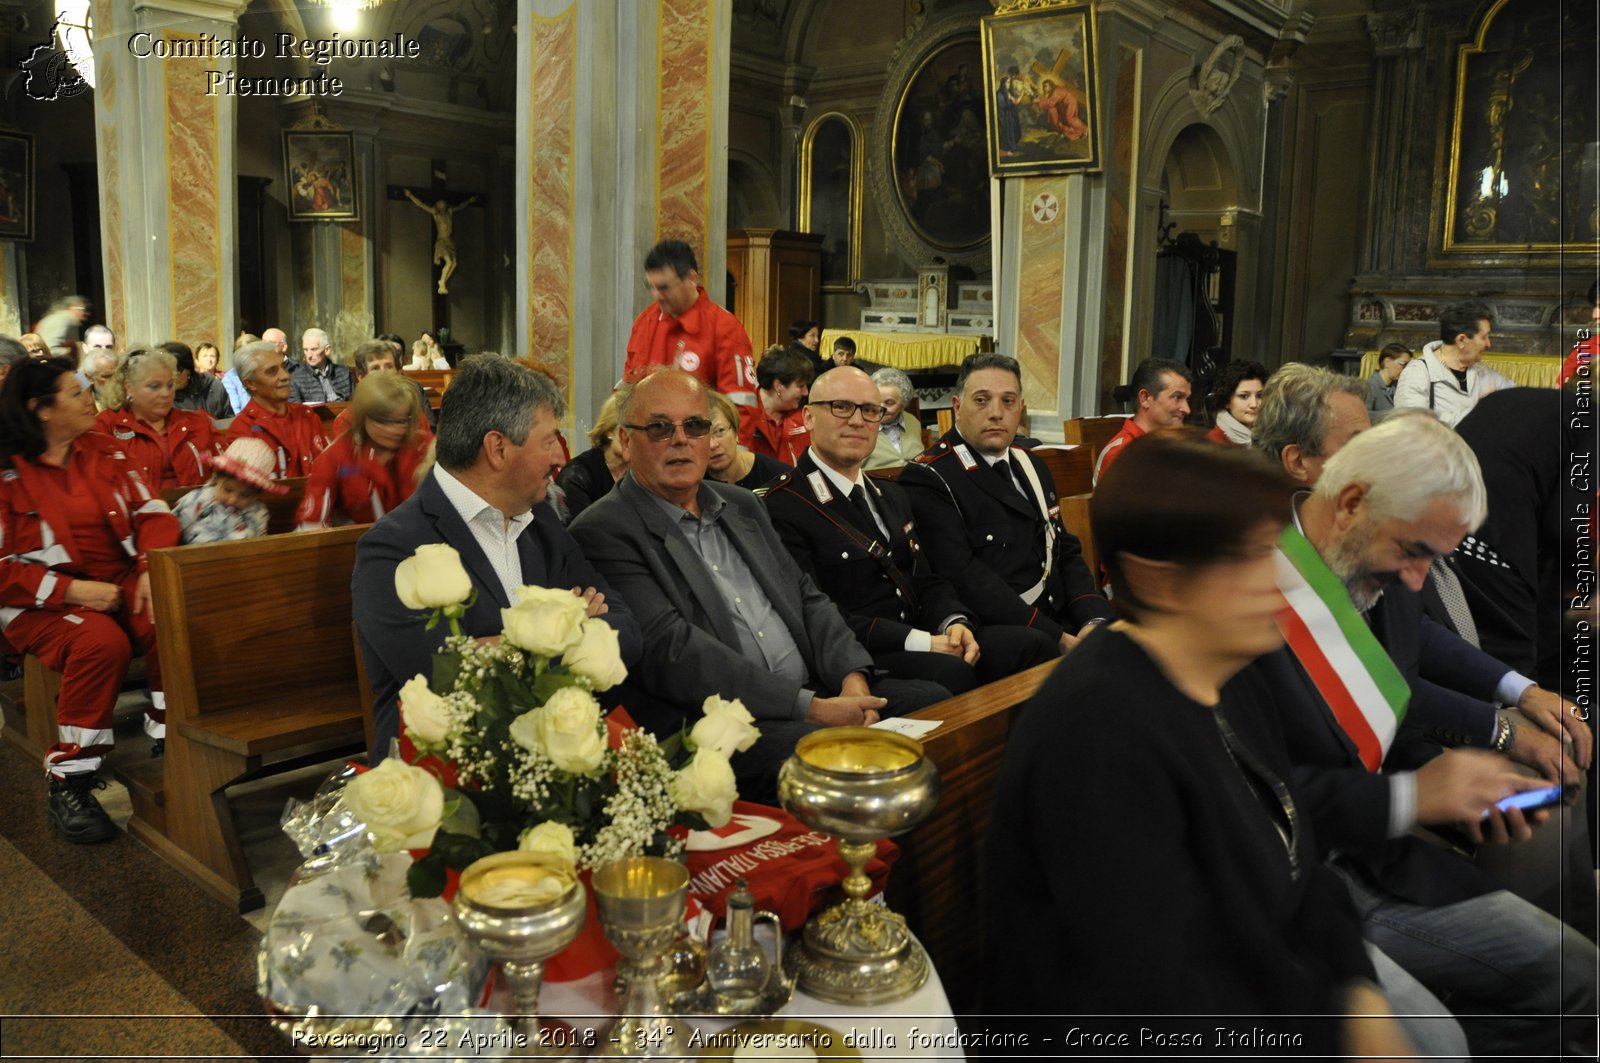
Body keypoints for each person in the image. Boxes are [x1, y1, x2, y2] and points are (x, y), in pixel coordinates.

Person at [982, 432, 1407, 1057]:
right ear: (1162, 582)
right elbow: (1158, 993)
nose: (1282, 581)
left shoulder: (1233, 675)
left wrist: (1358, 992)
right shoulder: (1098, 728)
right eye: (1252, 558)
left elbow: (1301, 864)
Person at [1251, 415, 1596, 1058]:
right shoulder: (1248, 590)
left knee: (1579, 978)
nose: (1419, 582)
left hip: (1368, 856)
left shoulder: (1381, 554)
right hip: (1283, 891)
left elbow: (1407, 658)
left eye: (1434, 560)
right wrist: (1418, 793)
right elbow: (1250, 802)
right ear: (1351, 501)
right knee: (1437, 1047)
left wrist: (1514, 698)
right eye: (1415, 554)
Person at [569, 369, 947, 802]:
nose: (681, 440)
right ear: (626, 438)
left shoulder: (743, 504)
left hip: (819, 690)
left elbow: (808, 598)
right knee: (829, 768)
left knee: (935, 705)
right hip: (729, 720)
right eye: (659, 427)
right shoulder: (605, 529)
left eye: (695, 426)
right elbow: (672, 651)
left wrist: (851, 679)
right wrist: (811, 709)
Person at [353, 354, 641, 758]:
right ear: (498, 448)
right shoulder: (394, 548)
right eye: (548, 441)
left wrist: (496, 644)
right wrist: (571, 627)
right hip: (447, 773)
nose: (560, 458)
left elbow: (626, 630)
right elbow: (447, 677)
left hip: (556, 752)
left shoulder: (540, 518)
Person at [763, 367, 1057, 694]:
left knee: (1033, 646)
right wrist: (920, 641)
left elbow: (925, 579)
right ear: (809, 416)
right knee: (950, 675)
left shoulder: (890, 494)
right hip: (859, 656)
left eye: (870, 410)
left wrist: (954, 622)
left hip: (923, 634)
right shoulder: (784, 505)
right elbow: (816, 614)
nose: (858, 421)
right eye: (841, 407)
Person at [0, 358, 180, 842]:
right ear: (40, 409)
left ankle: (175, 740)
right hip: (39, 601)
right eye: (75, 392)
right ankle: (70, 781)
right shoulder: (5, 473)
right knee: (102, 644)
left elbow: (154, 511)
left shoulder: (103, 449)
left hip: (118, 579)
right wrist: (70, 591)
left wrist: (147, 567)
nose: (89, 398)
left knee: (169, 614)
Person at [899, 354, 1112, 656]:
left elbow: (1064, 550)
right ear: (957, 407)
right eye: (982, 400)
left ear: (1021, 409)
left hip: (1058, 621)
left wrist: (1092, 617)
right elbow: (966, 579)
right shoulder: (930, 477)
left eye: (1008, 401)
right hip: (1002, 632)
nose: (996, 413)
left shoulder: (1033, 466)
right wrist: (1057, 637)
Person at [623, 239, 756, 407]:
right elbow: (626, 391)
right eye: (651, 287)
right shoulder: (645, 322)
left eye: (664, 287)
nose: (656, 296)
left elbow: (741, 406)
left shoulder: (724, 328)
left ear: (692, 278)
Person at [296, 372, 431, 529]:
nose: (395, 430)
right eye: (383, 421)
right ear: (363, 418)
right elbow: (311, 525)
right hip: (361, 546)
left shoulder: (426, 448)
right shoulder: (336, 456)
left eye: (402, 421)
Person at [93, 347, 220, 490]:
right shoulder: (106, 427)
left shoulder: (198, 422)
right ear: (129, 388)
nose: (166, 393)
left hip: (196, 508)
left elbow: (226, 472)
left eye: (170, 385)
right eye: (154, 386)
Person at [1394, 301, 1514, 427]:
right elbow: (1412, 427)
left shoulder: (1482, 371)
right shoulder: (1417, 373)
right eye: (1484, 337)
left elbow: (1518, 399)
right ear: (1461, 340)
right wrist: (1483, 410)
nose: (1488, 344)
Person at [223, 340, 328, 478]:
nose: (285, 376)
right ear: (250, 383)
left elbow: (329, 468)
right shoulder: (243, 430)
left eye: (284, 367)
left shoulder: (307, 416)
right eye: (272, 372)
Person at [1093, 357, 1192, 483]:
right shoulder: (1122, 455)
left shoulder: (1170, 444)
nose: (1187, 409)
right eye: (1177, 397)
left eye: (1187, 399)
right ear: (1145, 398)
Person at [172, 437, 282, 544]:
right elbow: (172, 528)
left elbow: (260, 545)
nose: (232, 499)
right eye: (227, 490)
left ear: (256, 495)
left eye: (244, 495)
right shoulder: (198, 500)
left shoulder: (258, 512)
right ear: (216, 478)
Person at [554, 385, 631, 523]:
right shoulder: (576, 477)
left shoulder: (642, 470)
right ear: (609, 431)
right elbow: (584, 535)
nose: (634, 438)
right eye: (627, 430)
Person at [332, 339, 436, 436]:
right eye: (375, 368)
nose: (383, 374)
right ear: (361, 377)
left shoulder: (415, 415)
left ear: (398, 372)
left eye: (389, 366)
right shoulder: (348, 421)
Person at [739, 345, 813, 465]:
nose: (806, 392)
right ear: (778, 385)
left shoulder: (805, 417)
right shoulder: (742, 415)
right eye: (800, 386)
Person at [706, 389, 788, 491]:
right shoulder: (692, 485)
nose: (712, 445)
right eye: (703, 436)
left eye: (720, 431)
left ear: (736, 432)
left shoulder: (778, 477)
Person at [864, 367, 923, 470]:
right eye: (876, 400)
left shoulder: (913, 422)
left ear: (903, 404)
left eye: (889, 403)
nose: (880, 408)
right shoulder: (860, 425)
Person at [1205, 359, 1267, 446]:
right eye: (1244, 396)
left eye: (1259, 396)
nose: (1254, 404)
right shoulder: (1214, 443)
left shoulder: (1269, 438)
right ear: (1226, 401)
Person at [167, 341, 234, 421]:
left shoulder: (213, 386)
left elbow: (230, 421)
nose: (172, 376)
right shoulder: (162, 395)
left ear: (188, 370)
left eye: (177, 370)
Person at [288, 328, 355, 404]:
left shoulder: (345, 373)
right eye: (306, 350)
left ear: (327, 350)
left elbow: (356, 405)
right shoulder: (295, 378)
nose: (309, 355)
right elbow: (296, 411)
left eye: (314, 349)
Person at [1366, 343, 1411, 413]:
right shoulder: (1369, 387)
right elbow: (1364, 415)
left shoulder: (1400, 385)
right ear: (1387, 362)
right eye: (1403, 364)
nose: (1405, 369)